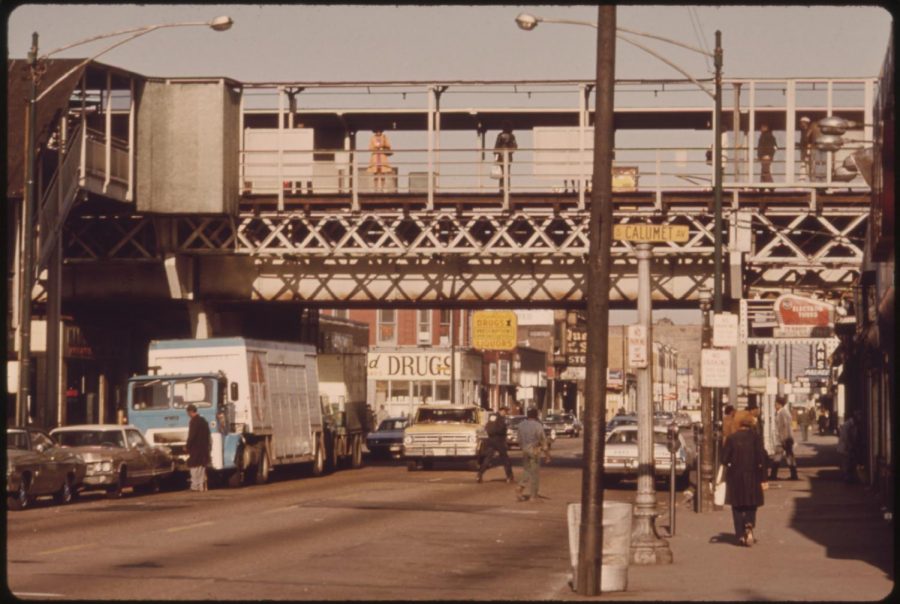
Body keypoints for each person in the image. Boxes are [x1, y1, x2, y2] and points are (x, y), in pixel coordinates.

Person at [722, 413, 769, 547]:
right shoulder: (756, 438)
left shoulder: (732, 438)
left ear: (738, 423)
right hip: (753, 475)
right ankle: (749, 524)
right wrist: (764, 478)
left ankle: (739, 535)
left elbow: (724, 459)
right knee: (751, 503)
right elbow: (762, 458)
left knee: (737, 506)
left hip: (735, 477)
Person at [515, 407, 550, 502]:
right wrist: (547, 455)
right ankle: (533, 496)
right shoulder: (538, 425)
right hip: (534, 450)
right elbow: (543, 440)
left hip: (524, 450)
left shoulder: (521, 425)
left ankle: (520, 486)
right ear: (536, 415)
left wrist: (523, 447)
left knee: (527, 470)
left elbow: (519, 439)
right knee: (534, 473)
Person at [477, 406, 514, 484]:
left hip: (490, 440)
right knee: (505, 459)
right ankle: (509, 476)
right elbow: (501, 429)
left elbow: (487, 427)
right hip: (498, 440)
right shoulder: (501, 418)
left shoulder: (492, 416)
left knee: (488, 458)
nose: (505, 414)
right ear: (502, 411)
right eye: (505, 412)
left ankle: (479, 475)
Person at [770, 396, 798, 480]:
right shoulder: (781, 413)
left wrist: (784, 439)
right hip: (784, 439)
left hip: (784, 439)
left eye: (776, 404)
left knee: (786, 457)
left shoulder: (783, 413)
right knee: (784, 456)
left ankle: (792, 475)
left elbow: (785, 427)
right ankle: (792, 475)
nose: (774, 406)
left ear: (779, 404)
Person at [186, 403, 211, 492]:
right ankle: (201, 486)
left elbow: (192, 435)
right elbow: (208, 435)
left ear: (191, 412)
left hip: (195, 448)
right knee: (201, 467)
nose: (187, 414)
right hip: (204, 448)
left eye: (188, 412)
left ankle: (194, 486)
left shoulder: (193, 421)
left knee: (193, 466)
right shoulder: (204, 421)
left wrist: (187, 446)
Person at [837, 410, 862, 483]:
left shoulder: (854, 424)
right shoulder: (847, 425)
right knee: (846, 463)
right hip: (845, 448)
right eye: (859, 416)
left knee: (851, 463)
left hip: (849, 448)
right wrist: (850, 446)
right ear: (855, 417)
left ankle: (849, 478)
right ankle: (846, 478)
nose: (860, 418)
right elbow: (845, 437)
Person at [493, 121, 518, 192]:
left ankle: (502, 189)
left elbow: (496, 148)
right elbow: (515, 146)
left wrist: (496, 158)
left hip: (501, 157)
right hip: (507, 157)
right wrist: (510, 151)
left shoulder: (501, 135)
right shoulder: (512, 136)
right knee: (506, 173)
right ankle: (506, 189)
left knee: (502, 174)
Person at [367, 128, 393, 192]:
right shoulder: (372, 138)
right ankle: (375, 188)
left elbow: (389, 145)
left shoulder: (384, 137)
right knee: (375, 173)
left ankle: (382, 188)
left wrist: (383, 145)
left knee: (383, 173)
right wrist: (375, 147)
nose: (378, 132)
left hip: (382, 156)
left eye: (379, 131)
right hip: (375, 156)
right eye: (377, 131)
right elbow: (370, 147)